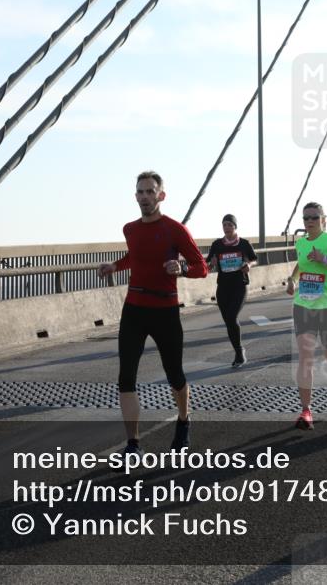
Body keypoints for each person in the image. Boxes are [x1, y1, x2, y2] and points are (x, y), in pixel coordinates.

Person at [99, 171, 208, 462]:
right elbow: (135, 257)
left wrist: (182, 269)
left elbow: (202, 267)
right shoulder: (130, 229)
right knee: (126, 378)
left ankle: (183, 421)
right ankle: (133, 445)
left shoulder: (175, 230)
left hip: (165, 311)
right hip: (134, 309)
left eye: (150, 191)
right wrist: (115, 266)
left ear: (161, 195)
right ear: (135, 196)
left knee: (175, 375)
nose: (145, 196)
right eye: (140, 191)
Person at [286, 202, 327, 429]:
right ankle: (306, 411)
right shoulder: (301, 242)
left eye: (314, 217)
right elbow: (301, 264)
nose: (309, 221)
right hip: (303, 306)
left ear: (324, 219)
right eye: (306, 218)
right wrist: (292, 280)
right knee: (305, 356)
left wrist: (324, 259)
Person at [206, 214, 257, 368]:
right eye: (224, 225)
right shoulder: (217, 244)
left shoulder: (244, 243)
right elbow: (207, 265)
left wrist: (249, 265)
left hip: (239, 286)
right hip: (223, 287)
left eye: (229, 225)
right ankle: (238, 352)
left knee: (231, 316)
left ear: (235, 227)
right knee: (229, 322)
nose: (226, 228)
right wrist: (211, 264)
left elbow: (254, 259)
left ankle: (239, 352)